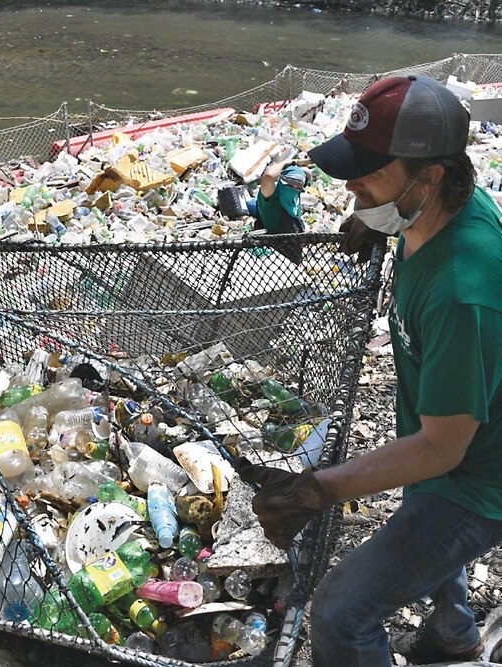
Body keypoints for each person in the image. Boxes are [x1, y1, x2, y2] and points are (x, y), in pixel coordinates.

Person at [236, 74, 502, 666]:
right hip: (439, 435)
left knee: (342, 614)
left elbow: (441, 450)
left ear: (428, 176)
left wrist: (319, 488)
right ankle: (456, 641)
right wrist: (380, 216)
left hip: (478, 478)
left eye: (369, 173)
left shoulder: (465, 287)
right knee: (424, 538)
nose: (350, 183)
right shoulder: (433, 207)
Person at [250, 161, 309, 263]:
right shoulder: (271, 200)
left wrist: (297, 164)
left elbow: (308, 173)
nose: (293, 188)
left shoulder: (295, 199)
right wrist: (287, 161)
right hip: (271, 260)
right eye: (290, 184)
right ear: (281, 181)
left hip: (292, 260)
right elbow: (268, 176)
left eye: (298, 186)